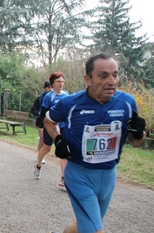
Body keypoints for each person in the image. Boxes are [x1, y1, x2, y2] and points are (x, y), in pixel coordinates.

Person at [45, 52, 146, 233]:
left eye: (115, 75)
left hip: (108, 176)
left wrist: (139, 134)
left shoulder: (127, 103)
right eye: (103, 76)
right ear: (88, 79)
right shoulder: (70, 103)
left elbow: (135, 142)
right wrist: (58, 139)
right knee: (94, 230)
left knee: (84, 226)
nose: (111, 81)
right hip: (79, 176)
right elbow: (47, 120)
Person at [34, 72, 69, 190]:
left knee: (63, 151)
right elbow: (43, 114)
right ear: (53, 83)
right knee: (47, 148)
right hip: (51, 127)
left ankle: (63, 179)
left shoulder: (67, 95)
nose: (61, 84)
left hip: (63, 126)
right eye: (58, 81)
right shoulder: (49, 96)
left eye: (63, 82)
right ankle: (38, 165)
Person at [30, 80, 52, 164]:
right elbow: (33, 109)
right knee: (43, 140)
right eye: (48, 87)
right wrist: (39, 113)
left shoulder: (54, 98)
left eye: (51, 87)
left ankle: (40, 140)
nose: (50, 89)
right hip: (40, 120)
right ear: (45, 88)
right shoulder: (39, 98)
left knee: (45, 141)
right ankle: (40, 157)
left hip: (50, 121)